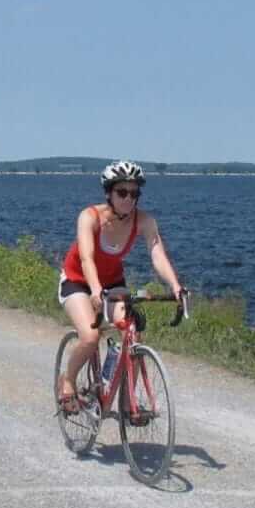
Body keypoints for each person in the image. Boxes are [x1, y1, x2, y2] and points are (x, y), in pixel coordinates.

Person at [55, 160, 186, 414]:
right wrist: (94, 290)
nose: (129, 198)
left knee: (132, 331)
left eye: (134, 193)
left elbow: (157, 254)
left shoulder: (144, 221)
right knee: (91, 337)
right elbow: (86, 258)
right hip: (78, 281)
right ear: (109, 193)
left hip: (113, 284)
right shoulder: (90, 217)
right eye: (122, 192)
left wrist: (176, 286)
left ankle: (128, 404)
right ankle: (68, 380)